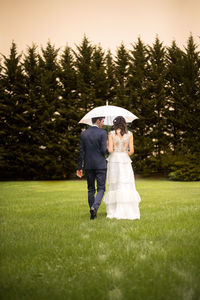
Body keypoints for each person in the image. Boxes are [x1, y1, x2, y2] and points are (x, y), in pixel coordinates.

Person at [104, 116, 141, 220]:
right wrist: (125, 152)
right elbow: (132, 151)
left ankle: (113, 210)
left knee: (115, 183)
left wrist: (107, 145)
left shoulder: (111, 134)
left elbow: (110, 150)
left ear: (115, 124)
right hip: (125, 159)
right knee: (125, 183)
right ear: (124, 123)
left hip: (114, 159)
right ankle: (127, 209)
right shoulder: (130, 134)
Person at [76, 117, 107, 220]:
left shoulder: (84, 134)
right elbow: (103, 151)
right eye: (102, 121)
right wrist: (106, 147)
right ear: (98, 121)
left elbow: (81, 152)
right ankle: (94, 207)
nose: (103, 123)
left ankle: (92, 212)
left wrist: (79, 167)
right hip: (100, 165)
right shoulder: (103, 133)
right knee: (101, 188)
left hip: (88, 165)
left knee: (90, 189)